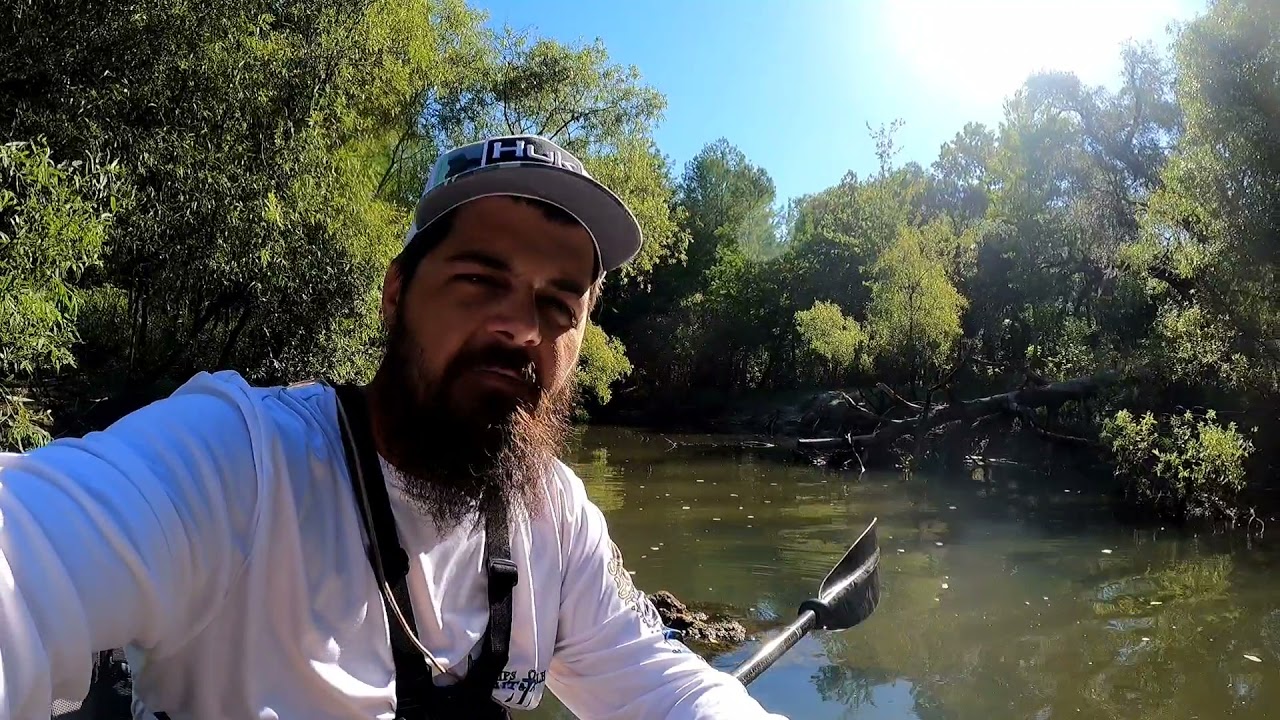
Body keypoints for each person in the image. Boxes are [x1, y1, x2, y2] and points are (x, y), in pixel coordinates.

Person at [0, 135, 787, 719]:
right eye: (479, 279)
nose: (522, 327)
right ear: (396, 293)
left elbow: (664, 685)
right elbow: (24, 558)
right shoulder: (243, 459)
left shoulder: (556, 515)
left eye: (558, 304)